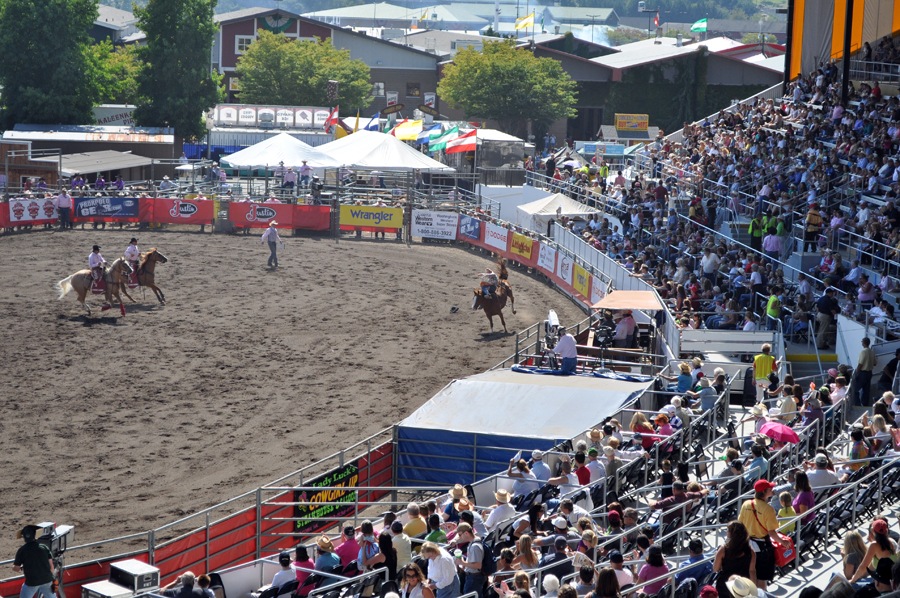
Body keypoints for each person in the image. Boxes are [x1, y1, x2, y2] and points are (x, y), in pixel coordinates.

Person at [737, 479, 790, 590]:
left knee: (751, 574)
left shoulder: (746, 504)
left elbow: (740, 524)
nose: (772, 489)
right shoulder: (768, 509)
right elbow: (771, 532)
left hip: (747, 545)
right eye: (770, 488)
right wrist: (783, 542)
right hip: (762, 548)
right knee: (762, 578)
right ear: (764, 491)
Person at [849, 519, 899, 584]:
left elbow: (862, 567)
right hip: (894, 578)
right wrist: (859, 577)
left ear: (873, 531)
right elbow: (870, 567)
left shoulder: (874, 546)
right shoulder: (892, 541)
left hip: (887, 583)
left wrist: (852, 580)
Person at [714, 521, 756, 597]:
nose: (726, 532)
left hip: (725, 586)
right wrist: (754, 590)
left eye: (728, 530)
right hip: (743, 586)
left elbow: (715, 569)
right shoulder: (751, 551)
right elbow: (752, 571)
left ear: (731, 533)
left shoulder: (723, 549)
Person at [13, 526, 55, 598]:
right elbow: (51, 567)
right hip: (47, 579)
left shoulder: (22, 550)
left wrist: (21, 568)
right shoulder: (44, 547)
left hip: (32, 582)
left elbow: (16, 568)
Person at [454, 523, 485, 598]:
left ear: (466, 533)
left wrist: (462, 563)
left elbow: (478, 565)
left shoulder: (475, 546)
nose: (459, 537)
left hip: (474, 578)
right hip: (473, 577)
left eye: (460, 535)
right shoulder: (473, 543)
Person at [855, 337, 876, 406]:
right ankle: (865, 404)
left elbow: (860, 363)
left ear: (864, 343)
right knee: (866, 390)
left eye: (862, 342)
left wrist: (856, 373)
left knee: (856, 389)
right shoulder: (872, 352)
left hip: (863, 373)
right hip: (869, 373)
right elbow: (875, 363)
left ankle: (857, 404)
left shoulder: (863, 351)